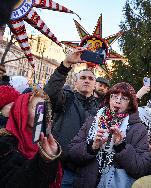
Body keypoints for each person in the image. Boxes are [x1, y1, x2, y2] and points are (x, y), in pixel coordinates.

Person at [68, 82, 151, 187]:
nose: (118, 100)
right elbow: (72, 153)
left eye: (124, 98)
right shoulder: (92, 120)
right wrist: (92, 147)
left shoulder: (138, 129)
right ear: (109, 99)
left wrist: (121, 147)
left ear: (130, 104)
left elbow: (141, 168)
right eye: (114, 96)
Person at [44, 49, 98, 187]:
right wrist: (65, 64)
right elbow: (49, 93)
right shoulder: (66, 98)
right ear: (76, 83)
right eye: (83, 78)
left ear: (95, 85)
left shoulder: (100, 108)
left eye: (91, 78)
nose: (87, 81)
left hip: (87, 171)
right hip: (61, 167)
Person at [0, 89, 62, 188]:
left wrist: (50, 156)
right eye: (37, 108)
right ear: (22, 110)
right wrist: (43, 160)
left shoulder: (42, 141)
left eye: (44, 110)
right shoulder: (5, 144)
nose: (42, 114)